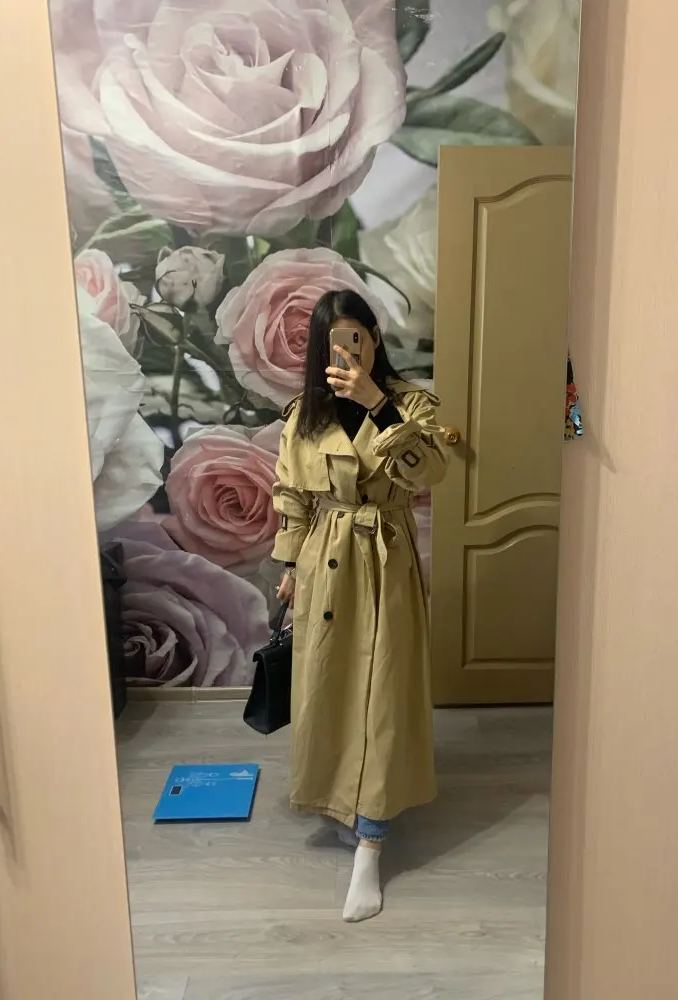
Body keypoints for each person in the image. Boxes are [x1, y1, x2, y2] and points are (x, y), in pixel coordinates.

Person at [271, 289, 449, 922]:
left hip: (385, 556)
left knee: (383, 689)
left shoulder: (412, 403)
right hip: (325, 556)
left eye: (357, 338)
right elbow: (291, 493)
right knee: (329, 683)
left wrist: (378, 403)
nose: (347, 352)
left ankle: (371, 840)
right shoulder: (305, 413)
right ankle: (340, 801)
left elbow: (430, 473)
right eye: (334, 343)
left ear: (374, 337)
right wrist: (290, 566)